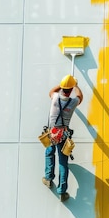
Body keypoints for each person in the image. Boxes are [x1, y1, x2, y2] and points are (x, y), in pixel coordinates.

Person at [42, 74, 83, 202]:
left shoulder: (54, 98)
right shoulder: (73, 102)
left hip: (51, 132)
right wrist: (75, 85)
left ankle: (48, 178)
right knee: (63, 162)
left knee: (49, 153)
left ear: (62, 88)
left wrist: (62, 85)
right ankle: (62, 191)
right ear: (70, 90)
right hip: (63, 135)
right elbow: (80, 96)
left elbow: (52, 91)